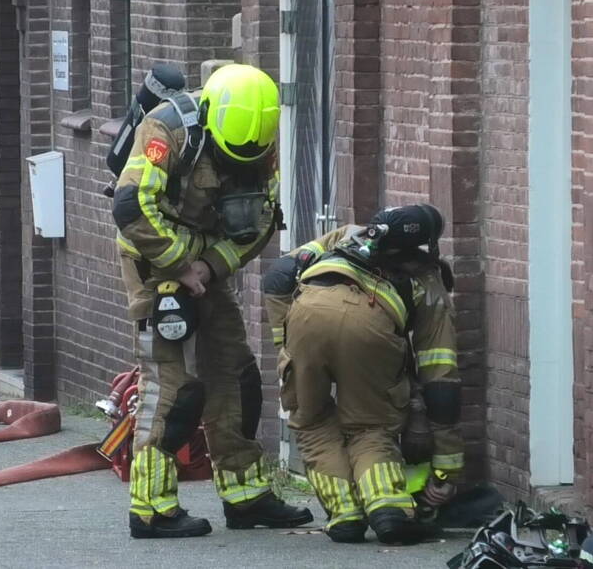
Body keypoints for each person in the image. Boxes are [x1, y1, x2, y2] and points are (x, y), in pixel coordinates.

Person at [112, 63, 313, 539]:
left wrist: (209, 267)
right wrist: (181, 265)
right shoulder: (167, 130)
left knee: (235, 374)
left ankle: (246, 496)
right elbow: (131, 205)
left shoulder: (260, 143)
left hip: (204, 267)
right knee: (172, 386)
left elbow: (263, 218)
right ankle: (151, 508)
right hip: (153, 261)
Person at [262, 204, 463, 544]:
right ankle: (388, 508)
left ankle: (344, 514)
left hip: (306, 312)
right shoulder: (428, 281)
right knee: (371, 426)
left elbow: (278, 276)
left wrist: (287, 347)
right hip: (370, 327)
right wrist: (446, 468)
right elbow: (440, 379)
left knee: (311, 421)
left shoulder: (344, 235)